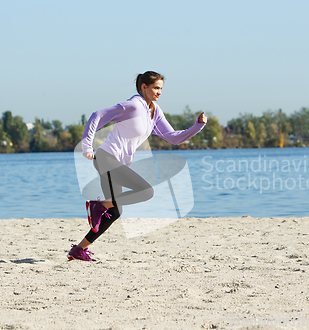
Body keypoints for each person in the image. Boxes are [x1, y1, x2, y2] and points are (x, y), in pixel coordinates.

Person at [68, 71, 207, 261]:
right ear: (144, 87)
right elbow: (97, 115)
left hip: (116, 162)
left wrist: (197, 127)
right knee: (146, 191)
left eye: (161, 89)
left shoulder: (155, 111)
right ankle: (97, 206)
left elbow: (173, 137)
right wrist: (86, 145)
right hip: (106, 158)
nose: (159, 92)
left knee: (115, 211)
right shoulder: (133, 106)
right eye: (156, 88)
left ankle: (79, 249)